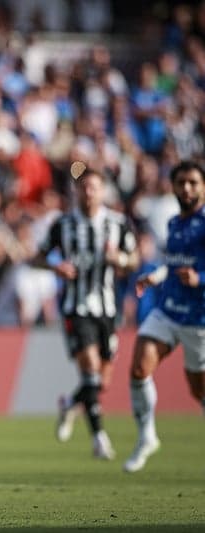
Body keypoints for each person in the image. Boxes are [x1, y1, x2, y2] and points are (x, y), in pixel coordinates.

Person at [33, 168, 138, 459]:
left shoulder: (117, 223)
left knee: (100, 382)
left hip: (107, 310)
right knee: (90, 371)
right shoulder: (63, 225)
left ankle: (69, 404)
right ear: (77, 191)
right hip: (76, 309)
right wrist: (56, 267)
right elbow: (37, 257)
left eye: (94, 187)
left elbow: (134, 260)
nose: (89, 192)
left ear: (103, 191)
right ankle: (99, 439)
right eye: (84, 187)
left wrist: (120, 259)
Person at [123, 160, 205, 473]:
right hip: (169, 310)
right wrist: (155, 277)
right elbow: (174, 265)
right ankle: (147, 436)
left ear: (202, 187)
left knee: (198, 389)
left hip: (199, 317)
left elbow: (195, 270)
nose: (187, 188)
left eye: (193, 183)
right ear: (172, 187)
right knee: (140, 366)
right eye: (181, 182)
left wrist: (200, 278)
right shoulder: (174, 223)